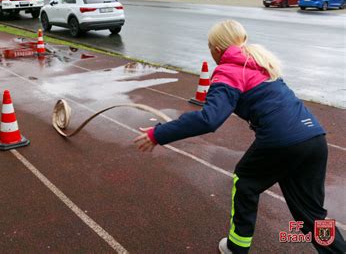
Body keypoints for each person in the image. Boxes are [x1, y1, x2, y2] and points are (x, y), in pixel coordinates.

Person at [134, 20, 346, 254]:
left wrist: (158, 133)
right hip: (314, 138)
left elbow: (209, 119)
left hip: (281, 142)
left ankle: (236, 247)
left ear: (216, 50)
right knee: (312, 215)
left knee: (245, 183)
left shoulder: (227, 71)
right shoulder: (262, 62)